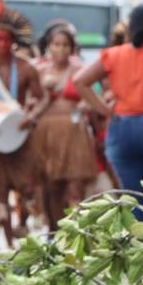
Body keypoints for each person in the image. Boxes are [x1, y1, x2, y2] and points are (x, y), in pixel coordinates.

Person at [75, 4, 143, 215]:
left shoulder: (114, 55)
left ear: (131, 28)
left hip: (122, 128)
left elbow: (80, 81)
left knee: (132, 197)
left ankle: (137, 243)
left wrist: (104, 110)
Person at [0, 22, 47, 241]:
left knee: (26, 185)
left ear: (14, 42)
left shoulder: (26, 67)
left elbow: (42, 97)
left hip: (19, 134)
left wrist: (31, 115)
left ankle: (22, 227)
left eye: (6, 39)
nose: (2, 44)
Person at [32, 22, 97, 227]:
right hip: (46, 134)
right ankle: (54, 230)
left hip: (74, 132)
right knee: (51, 187)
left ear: (72, 48)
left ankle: (75, 232)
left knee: (75, 188)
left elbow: (92, 96)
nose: (60, 49)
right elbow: (29, 100)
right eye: (56, 44)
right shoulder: (39, 70)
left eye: (65, 45)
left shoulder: (80, 70)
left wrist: (84, 106)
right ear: (49, 46)